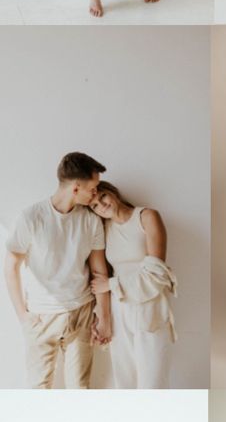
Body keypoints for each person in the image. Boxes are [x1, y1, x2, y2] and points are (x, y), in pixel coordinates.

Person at [4, 152, 112, 389]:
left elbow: (99, 270)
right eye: (92, 188)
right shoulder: (31, 218)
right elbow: (11, 266)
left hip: (82, 313)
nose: (96, 193)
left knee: (80, 389)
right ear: (75, 188)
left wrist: (104, 317)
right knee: (39, 389)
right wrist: (23, 316)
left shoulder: (91, 220)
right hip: (42, 317)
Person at [90, 182, 176, 389]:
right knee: (124, 382)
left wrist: (110, 284)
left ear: (113, 192)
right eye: (94, 205)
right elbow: (100, 276)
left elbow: (156, 274)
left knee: (152, 384)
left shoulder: (147, 217)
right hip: (119, 310)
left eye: (103, 196)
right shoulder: (103, 229)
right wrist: (102, 318)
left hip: (150, 308)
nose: (101, 205)